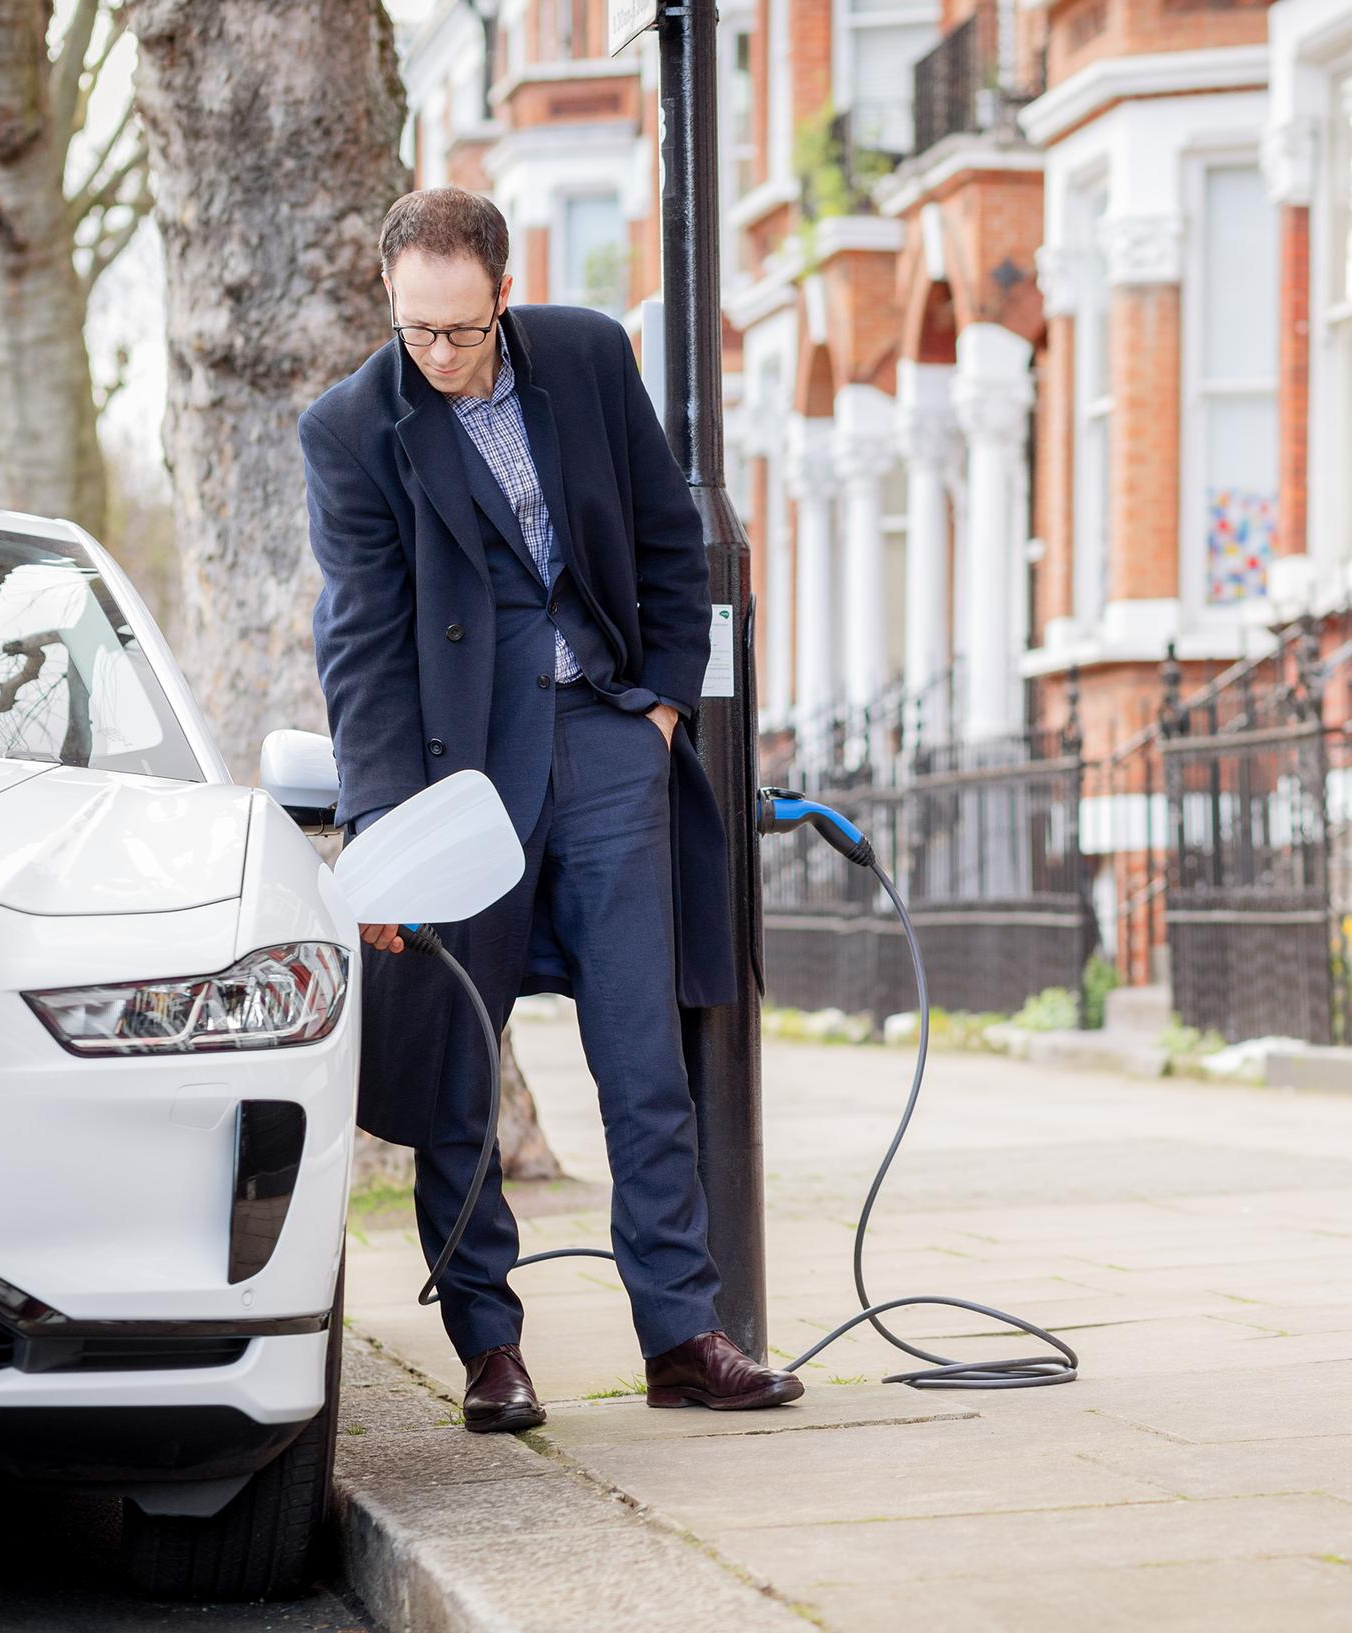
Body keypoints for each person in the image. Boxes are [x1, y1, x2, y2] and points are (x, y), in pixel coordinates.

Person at [300, 187, 799, 1431]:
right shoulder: (353, 429)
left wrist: (665, 708)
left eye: (461, 332)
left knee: (642, 1051)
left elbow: (666, 539)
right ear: (392, 304)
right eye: (416, 331)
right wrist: (385, 838)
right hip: (458, 778)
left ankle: (683, 1332)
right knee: (459, 1069)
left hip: (608, 741)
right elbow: (360, 642)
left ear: (503, 299)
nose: (440, 358)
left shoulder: (581, 356)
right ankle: (488, 1347)